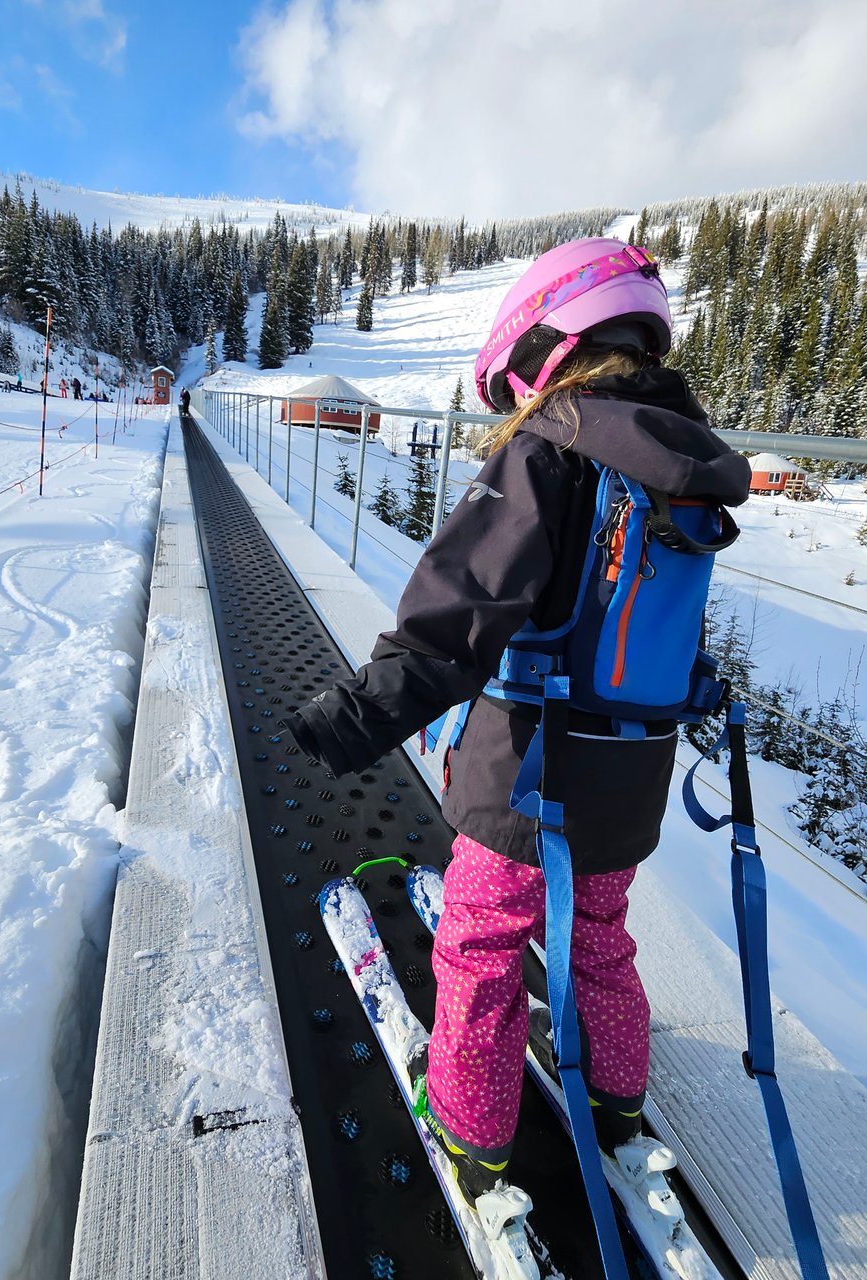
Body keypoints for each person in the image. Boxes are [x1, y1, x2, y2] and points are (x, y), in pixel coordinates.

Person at [285, 238, 750, 1198]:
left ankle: (470, 1129)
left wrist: (351, 720)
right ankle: (621, 1099)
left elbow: (456, 615)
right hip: (635, 769)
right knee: (599, 932)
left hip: (527, 771)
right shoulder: (684, 468)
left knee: (484, 943)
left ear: (547, 342)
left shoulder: (550, 451)